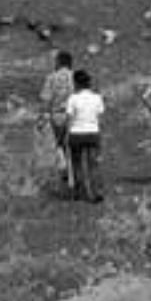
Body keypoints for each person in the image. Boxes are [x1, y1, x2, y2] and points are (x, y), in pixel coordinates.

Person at [64, 68, 105, 203]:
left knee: (76, 165)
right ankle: (95, 192)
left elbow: (69, 118)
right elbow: (100, 118)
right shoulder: (97, 97)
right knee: (93, 165)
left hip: (76, 134)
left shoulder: (72, 98)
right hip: (93, 133)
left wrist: (66, 134)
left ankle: (79, 191)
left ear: (76, 83)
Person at [38, 50, 75, 188]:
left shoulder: (51, 78)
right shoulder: (75, 77)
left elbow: (45, 99)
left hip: (57, 116)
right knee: (72, 145)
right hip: (73, 116)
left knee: (59, 144)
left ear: (59, 62)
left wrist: (42, 116)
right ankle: (74, 174)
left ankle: (64, 168)